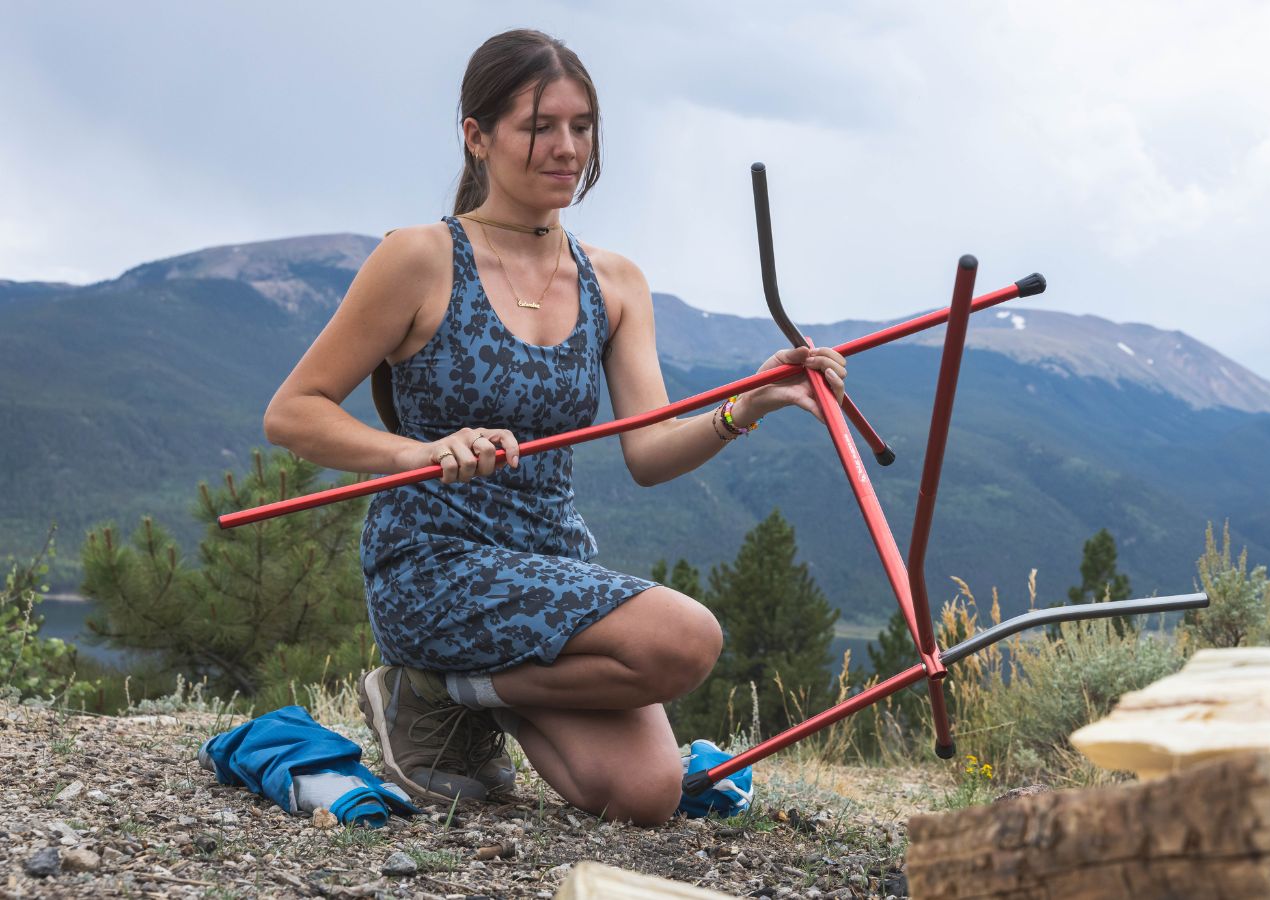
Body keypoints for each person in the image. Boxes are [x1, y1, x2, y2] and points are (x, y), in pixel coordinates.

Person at [263, 28, 848, 826]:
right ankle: (439, 674)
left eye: (582, 126)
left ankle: (441, 694)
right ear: (477, 136)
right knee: (685, 639)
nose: (567, 147)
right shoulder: (421, 258)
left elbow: (648, 451)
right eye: (540, 127)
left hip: (551, 566)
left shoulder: (615, 281)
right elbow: (293, 413)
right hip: (435, 562)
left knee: (645, 797)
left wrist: (750, 403)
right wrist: (421, 450)